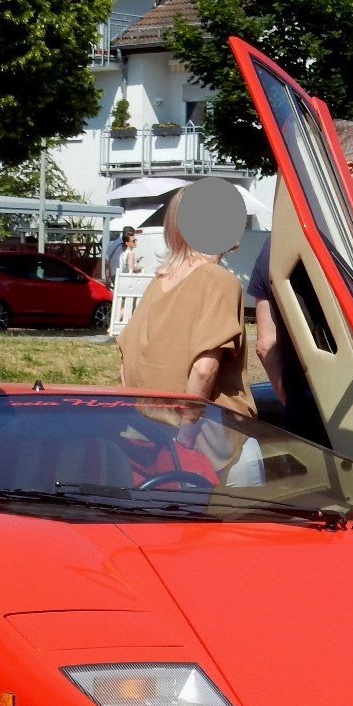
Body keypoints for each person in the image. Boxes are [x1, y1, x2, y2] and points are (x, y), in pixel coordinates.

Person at [248, 120, 353, 444]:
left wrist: (294, 399)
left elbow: (265, 344)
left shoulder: (276, 245)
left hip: (303, 417)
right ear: (352, 170)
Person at [117, 189, 261, 485]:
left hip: (153, 441)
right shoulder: (219, 281)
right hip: (213, 446)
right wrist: (187, 436)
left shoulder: (159, 283)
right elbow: (204, 368)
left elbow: (126, 367)